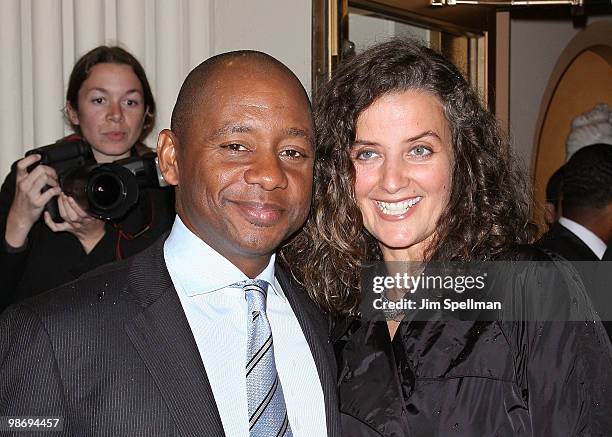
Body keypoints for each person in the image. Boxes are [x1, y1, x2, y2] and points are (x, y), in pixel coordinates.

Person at [0, 50, 341, 436]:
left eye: (293, 152)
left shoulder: (327, 320)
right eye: (236, 146)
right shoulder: (53, 334)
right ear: (170, 158)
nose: (269, 174)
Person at [284, 39, 612, 436]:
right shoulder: (330, 310)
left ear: (462, 159)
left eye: (419, 150)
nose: (392, 180)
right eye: (367, 154)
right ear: (338, 170)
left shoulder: (529, 289)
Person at [0, 46, 174, 311]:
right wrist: (19, 221)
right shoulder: (36, 176)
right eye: (99, 100)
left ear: (146, 113)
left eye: (130, 102)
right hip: (35, 345)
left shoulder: (165, 186)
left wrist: (94, 239)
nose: (115, 115)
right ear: (72, 111)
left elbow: (156, 303)